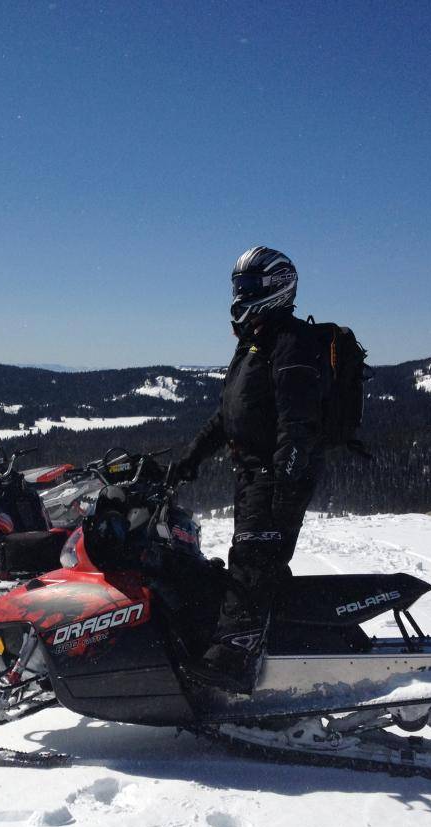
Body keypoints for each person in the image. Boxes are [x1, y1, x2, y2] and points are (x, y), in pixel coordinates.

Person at [173, 246, 327, 692]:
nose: (239, 296)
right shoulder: (254, 342)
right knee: (261, 565)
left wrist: (285, 481)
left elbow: (298, 423)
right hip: (255, 475)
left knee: (251, 562)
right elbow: (230, 415)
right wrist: (192, 458)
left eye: (249, 288)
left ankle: (232, 659)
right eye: (238, 288)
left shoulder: (291, 342)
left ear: (277, 289)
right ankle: (280, 651)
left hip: (275, 477)